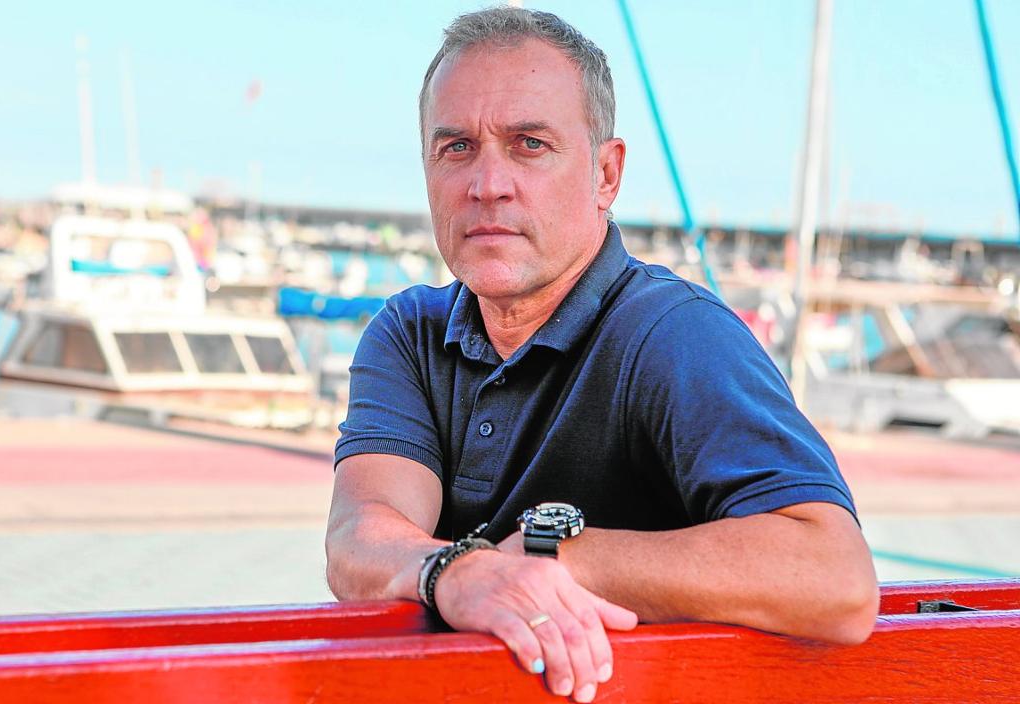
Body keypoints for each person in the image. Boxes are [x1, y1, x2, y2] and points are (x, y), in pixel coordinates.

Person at [324, 7, 878, 703]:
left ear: (606, 175)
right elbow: (359, 541)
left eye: (529, 144)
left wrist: (552, 553)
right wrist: (457, 572)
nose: (487, 183)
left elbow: (836, 578)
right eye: (457, 147)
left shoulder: (675, 335)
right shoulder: (410, 331)